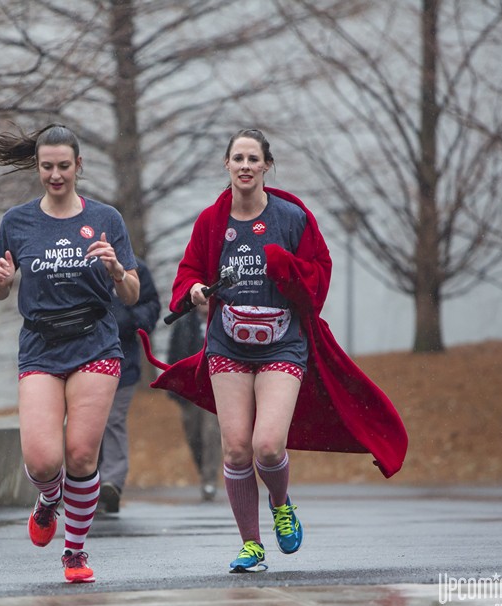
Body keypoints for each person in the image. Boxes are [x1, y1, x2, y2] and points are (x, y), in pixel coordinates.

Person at [139, 128, 407, 574]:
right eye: (237, 158)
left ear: (266, 166)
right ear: (226, 165)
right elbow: (188, 273)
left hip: (282, 342)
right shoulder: (211, 221)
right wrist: (196, 290)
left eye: (253, 159)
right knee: (236, 450)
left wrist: (287, 270)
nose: (245, 166)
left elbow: (319, 274)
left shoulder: (291, 218)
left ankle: (281, 504)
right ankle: (251, 546)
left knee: (266, 446)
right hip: (227, 344)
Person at [0, 123, 140, 583]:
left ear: (79, 166)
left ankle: (74, 552)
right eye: (47, 167)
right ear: (37, 167)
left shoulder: (107, 219)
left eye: (63, 167)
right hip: (41, 346)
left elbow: (130, 294)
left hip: (95, 342)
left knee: (81, 457)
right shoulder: (17, 221)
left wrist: (114, 269)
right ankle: (49, 500)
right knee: (43, 461)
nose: (55, 175)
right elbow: (0, 287)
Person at [97, 258, 161, 514]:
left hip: (123, 361)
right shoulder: (79, 263)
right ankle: (86, 481)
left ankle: (111, 481)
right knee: (87, 421)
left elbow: (152, 305)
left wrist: (128, 319)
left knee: (112, 419)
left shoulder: (136, 267)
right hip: (82, 357)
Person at [166, 302, 222, 502]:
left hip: (215, 389)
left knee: (211, 434)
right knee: (194, 436)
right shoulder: (183, 324)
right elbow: (173, 356)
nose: (206, 302)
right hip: (189, 391)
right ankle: (204, 472)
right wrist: (174, 388)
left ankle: (210, 479)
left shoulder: (221, 320)